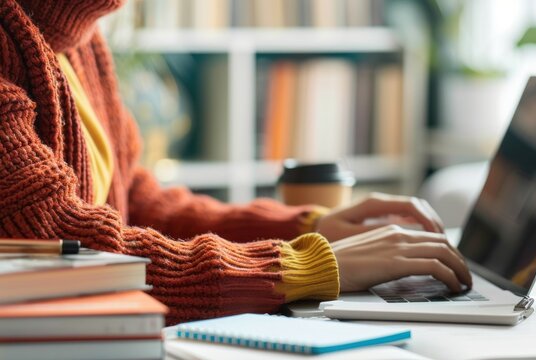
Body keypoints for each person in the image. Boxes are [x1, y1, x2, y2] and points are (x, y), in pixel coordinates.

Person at [0, 0, 471, 325]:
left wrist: (311, 227)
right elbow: (71, 250)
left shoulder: (78, 38)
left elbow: (136, 203)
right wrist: (302, 266)